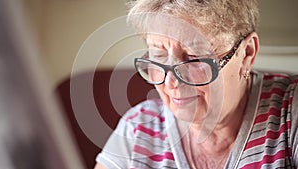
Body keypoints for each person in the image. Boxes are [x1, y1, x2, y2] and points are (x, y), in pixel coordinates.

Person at [94, 0, 298, 168]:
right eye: (159, 56)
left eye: (194, 58)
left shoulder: (290, 111)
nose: (172, 82)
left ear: (246, 54)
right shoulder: (136, 129)